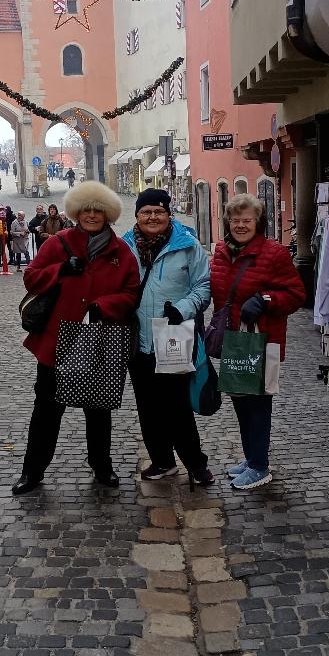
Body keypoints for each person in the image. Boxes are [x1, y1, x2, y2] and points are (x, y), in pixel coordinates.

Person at [13, 181, 140, 495]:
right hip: (57, 341)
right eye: (86, 210)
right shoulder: (58, 243)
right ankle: (32, 470)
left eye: (98, 210)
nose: (92, 215)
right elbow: (31, 277)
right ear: (77, 212)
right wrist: (60, 270)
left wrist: (104, 306)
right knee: (47, 409)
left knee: (98, 408)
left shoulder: (120, 251)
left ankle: (102, 465)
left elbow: (131, 293)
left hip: (100, 340)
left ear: (108, 214)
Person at [210, 194, 306, 491]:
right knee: (240, 401)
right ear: (228, 221)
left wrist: (266, 299)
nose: (240, 225)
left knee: (259, 404)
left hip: (262, 341)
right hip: (234, 340)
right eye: (235, 220)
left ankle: (260, 466)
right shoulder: (221, 252)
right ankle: (251, 457)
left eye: (247, 220)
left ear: (258, 222)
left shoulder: (274, 253)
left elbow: (297, 295)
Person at [122, 188, 215, 488]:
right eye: (146, 212)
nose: (152, 217)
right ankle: (162, 461)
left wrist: (182, 309)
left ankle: (196, 464)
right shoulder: (125, 245)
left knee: (177, 405)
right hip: (138, 338)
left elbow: (203, 286)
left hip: (174, 335)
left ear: (168, 214)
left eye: (159, 211)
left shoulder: (188, 245)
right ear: (137, 215)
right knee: (147, 406)